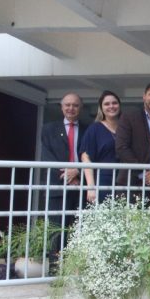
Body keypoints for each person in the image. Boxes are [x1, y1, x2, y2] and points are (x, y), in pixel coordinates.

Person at [40, 92, 87, 240]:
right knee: (56, 230)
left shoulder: (88, 130)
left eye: (75, 105)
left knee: (79, 230)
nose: (71, 108)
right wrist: (68, 175)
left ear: (81, 108)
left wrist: (77, 171)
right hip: (57, 187)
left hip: (81, 187)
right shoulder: (48, 129)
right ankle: (55, 262)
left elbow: (90, 156)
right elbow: (47, 157)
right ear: (61, 107)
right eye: (67, 105)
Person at [80, 90, 120, 204]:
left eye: (114, 103)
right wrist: (91, 187)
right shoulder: (94, 129)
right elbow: (85, 157)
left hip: (124, 180)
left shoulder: (126, 128)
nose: (111, 106)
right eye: (107, 104)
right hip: (102, 180)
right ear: (101, 108)